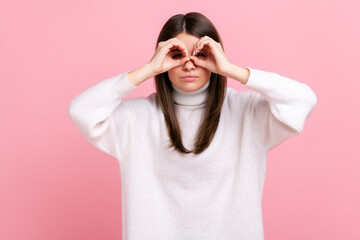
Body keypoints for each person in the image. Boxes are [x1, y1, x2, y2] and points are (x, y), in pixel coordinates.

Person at [68, 12, 317, 240]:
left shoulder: (247, 113)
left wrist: (230, 69)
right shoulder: (136, 118)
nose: (189, 64)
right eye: (177, 55)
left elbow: (302, 100)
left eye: (200, 55)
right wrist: (148, 69)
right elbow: (81, 110)